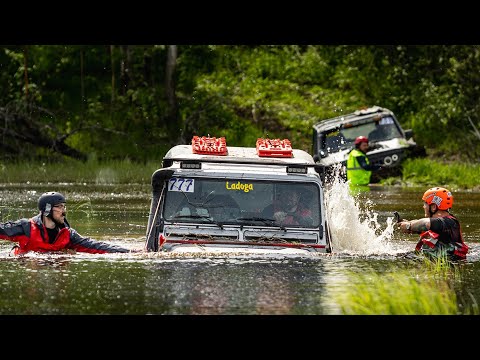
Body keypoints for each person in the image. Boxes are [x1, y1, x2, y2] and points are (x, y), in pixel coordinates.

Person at [0, 191, 134, 255]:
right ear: (47, 210)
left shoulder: (68, 234)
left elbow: (96, 246)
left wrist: (131, 252)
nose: (64, 211)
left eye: (64, 207)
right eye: (59, 207)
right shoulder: (26, 228)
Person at [397, 187, 468, 261]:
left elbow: (426, 223)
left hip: (449, 266)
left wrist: (409, 226)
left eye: (425, 203)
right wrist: (408, 224)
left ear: (433, 207)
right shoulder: (441, 224)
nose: (423, 206)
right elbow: (426, 225)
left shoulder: (449, 222)